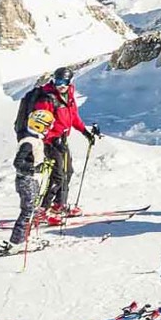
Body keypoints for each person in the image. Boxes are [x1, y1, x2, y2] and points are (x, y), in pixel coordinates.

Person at [34, 67, 100, 224]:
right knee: (58, 175)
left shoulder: (68, 96)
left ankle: (59, 205)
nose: (61, 85)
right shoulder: (47, 99)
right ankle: (42, 210)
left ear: (70, 82)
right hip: (51, 142)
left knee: (67, 172)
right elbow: (39, 123)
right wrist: (50, 138)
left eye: (64, 82)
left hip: (62, 140)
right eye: (58, 81)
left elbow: (73, 117)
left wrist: (85, 132)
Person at [0, 109, 55, 254]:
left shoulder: (35, 140)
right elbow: (18, 162)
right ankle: (16, 242)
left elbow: (33, 159)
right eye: (47, 126)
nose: (49, 129)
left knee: (33, 209)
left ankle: (25, 238)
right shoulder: (29, 142)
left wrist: (42, 165)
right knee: (27, 211)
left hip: (32, 180)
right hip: (26, 181)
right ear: (39, 126)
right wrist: (34, 169)